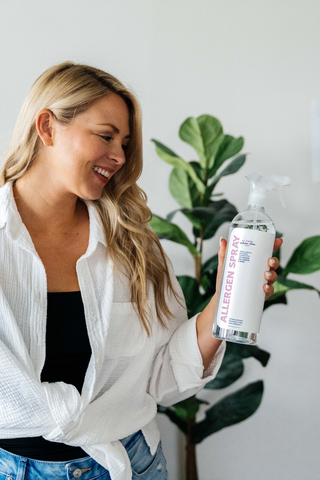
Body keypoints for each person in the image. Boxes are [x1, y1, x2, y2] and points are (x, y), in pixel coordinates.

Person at [0, 61, 281, 480]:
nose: (119, 157)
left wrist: (224, 301)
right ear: (47, 127)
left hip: (132, 464)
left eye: (126, 143)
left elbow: (164, 378)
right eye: (106, 135)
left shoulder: (129, 241)